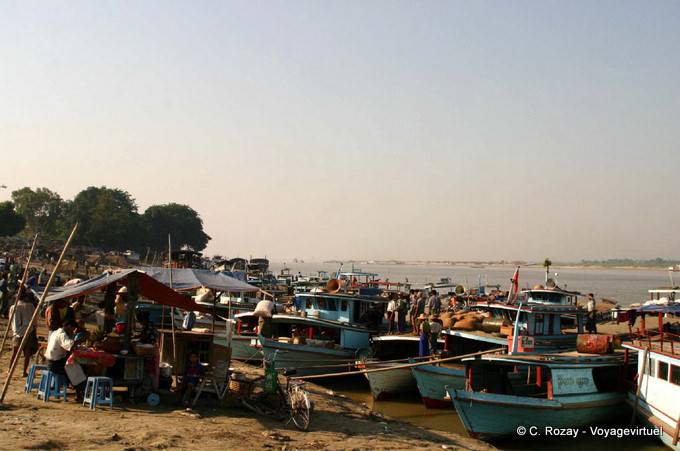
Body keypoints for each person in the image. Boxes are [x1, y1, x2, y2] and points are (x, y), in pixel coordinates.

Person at [45, 320, 86, 400]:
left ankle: (79, 391)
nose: (73, 331)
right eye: (72, 329)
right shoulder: (62, 334)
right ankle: (79, 394)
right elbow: (70, 345)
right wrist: (82, 339)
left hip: (51, 361)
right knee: (76, 371)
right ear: (69, 326)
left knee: (74, 368)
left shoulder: (55, 332)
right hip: (54, 364)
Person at [10, 289, 38, 377]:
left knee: (15, 352)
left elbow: (13, 321)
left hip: (20, 332)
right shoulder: (30, 306)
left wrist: (16, 331)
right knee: (27, 353)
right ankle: (24, 371)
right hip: (28, 331)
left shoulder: (14, 307)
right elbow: (35, 320)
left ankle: (10, 370)